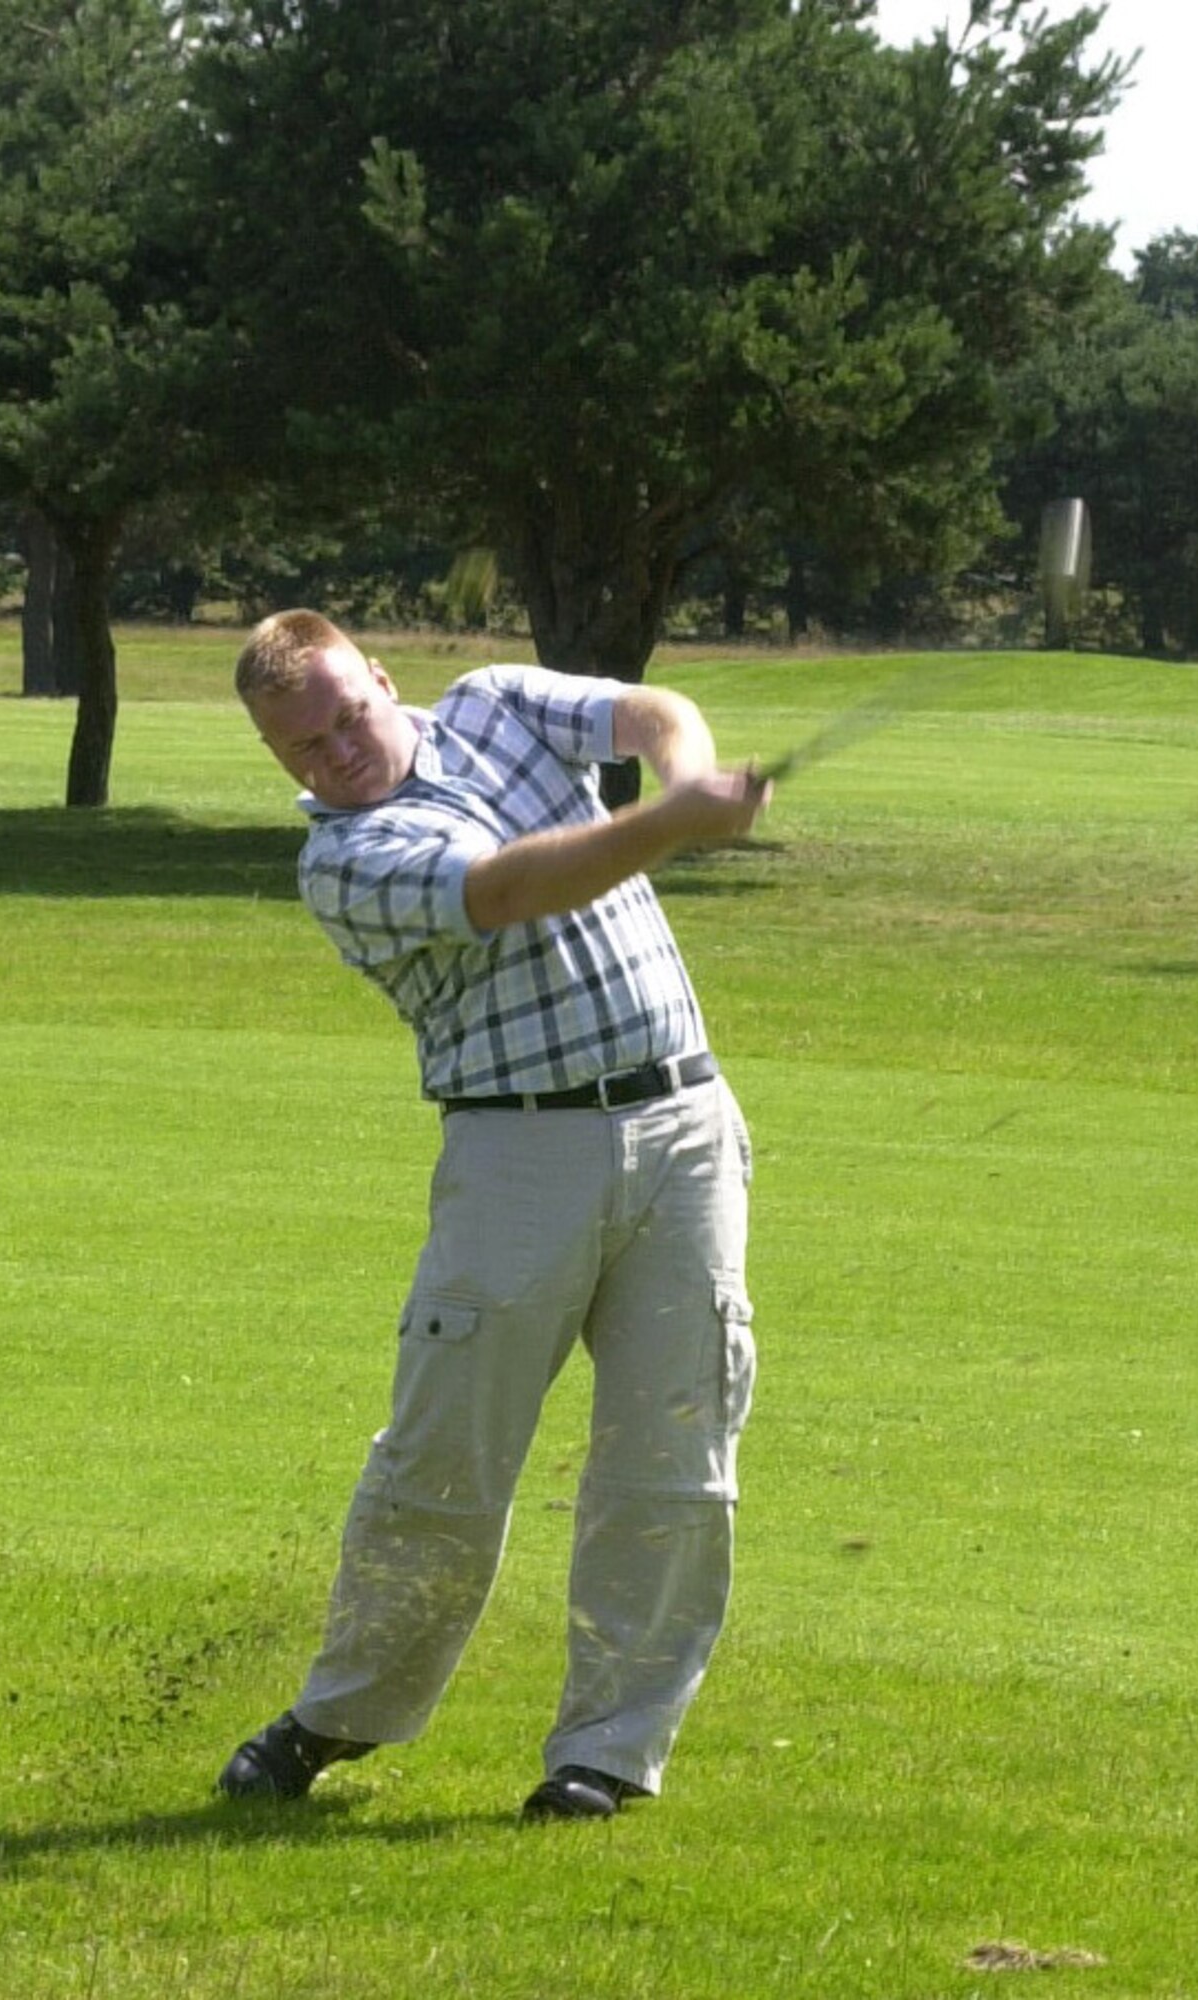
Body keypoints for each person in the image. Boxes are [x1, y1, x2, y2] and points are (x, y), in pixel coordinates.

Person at [217, 609, 770, 1821]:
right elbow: (514, 885)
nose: (336, 752)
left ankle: (609, 1753)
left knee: (672, 1455)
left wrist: (683, 774)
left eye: (346, 714)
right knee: (443, 1459)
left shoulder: (490, 701)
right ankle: (341, 1713)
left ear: (382, 675)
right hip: (517, 1148)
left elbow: (646, 713)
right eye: (301, 747)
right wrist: (675, 822)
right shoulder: (343, 862)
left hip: (686, 1125)